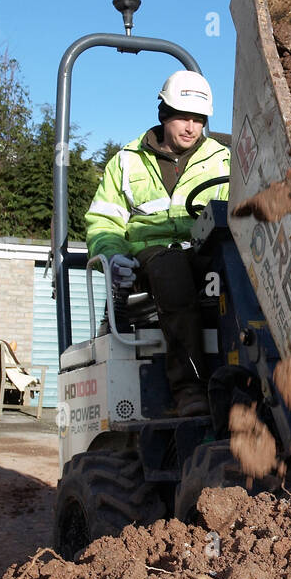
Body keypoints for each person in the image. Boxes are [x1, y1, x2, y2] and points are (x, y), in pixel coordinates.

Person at [85, 70, 230, 417]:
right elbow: (104, 221)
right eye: (183, 116)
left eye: (198, 119)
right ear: (164, 114)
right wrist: (113, 255)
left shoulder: (223, 158)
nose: (191, 127)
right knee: (171, 268)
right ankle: (189, 388)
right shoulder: (126, 161)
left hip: (204, 249)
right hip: (150, 258)